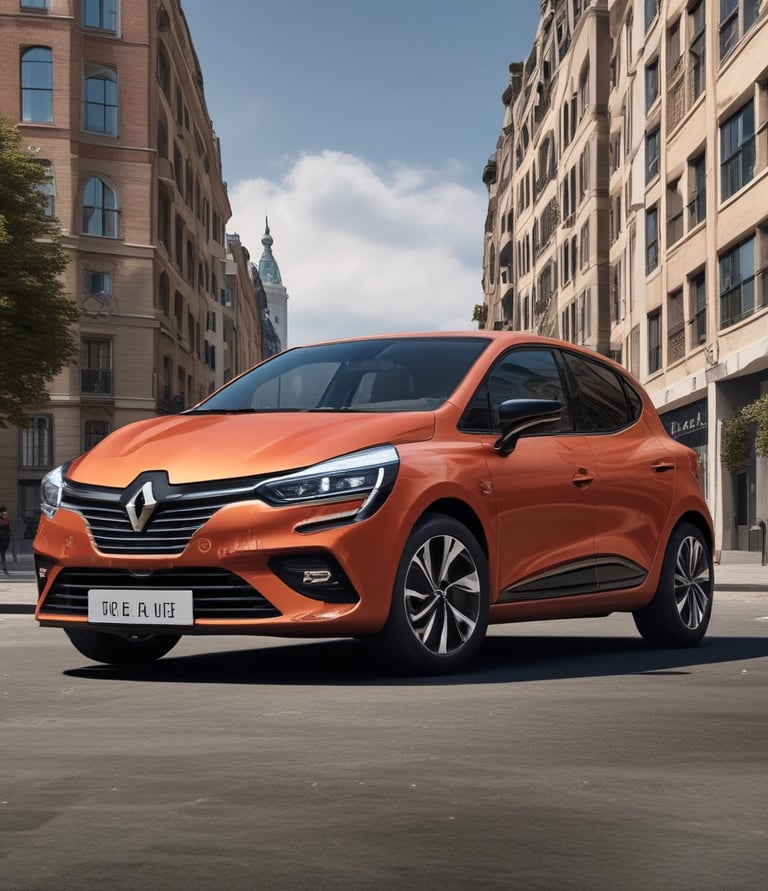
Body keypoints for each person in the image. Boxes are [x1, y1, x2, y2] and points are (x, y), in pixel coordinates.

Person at [0, 505, 11, 577]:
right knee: (3, 554)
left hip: (4, 539)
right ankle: (4, 568)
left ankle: (4, 567)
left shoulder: (6, 519)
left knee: (3, 553)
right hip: (4, 539)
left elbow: (7, 523)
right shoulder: (5, 519)